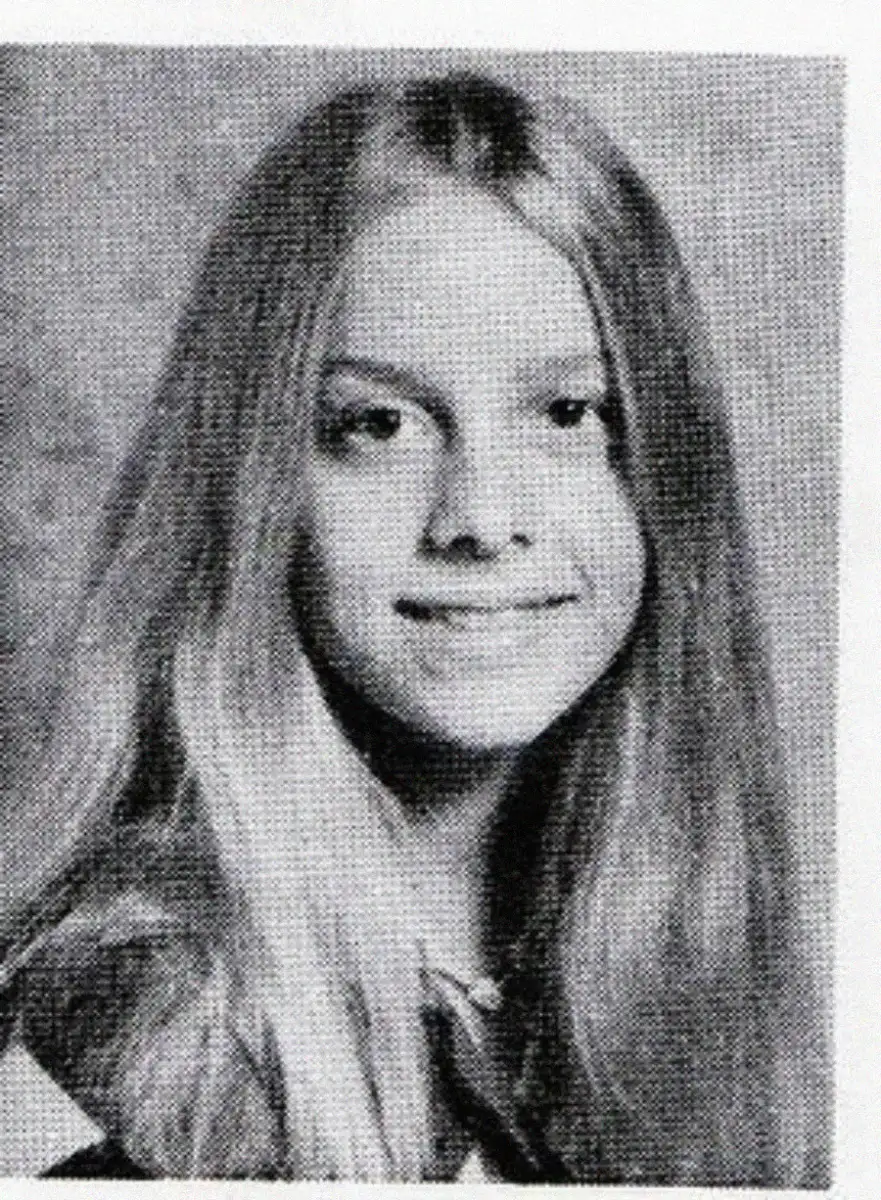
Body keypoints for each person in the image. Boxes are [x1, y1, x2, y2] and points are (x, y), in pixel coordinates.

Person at [0, 71, 824, 1184]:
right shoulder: (113, 1028)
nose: (478, 518)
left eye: (567, 413)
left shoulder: (663, 969)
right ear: (252, 491)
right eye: (376, 424)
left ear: (660, 473)